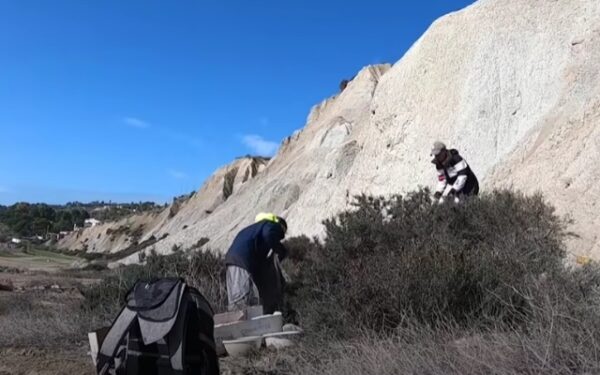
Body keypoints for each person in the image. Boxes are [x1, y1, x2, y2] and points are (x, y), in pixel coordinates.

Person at [224, 212, 288, 314]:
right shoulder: (271, 225)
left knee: (236, 300)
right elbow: (268, 234)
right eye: (282, 233)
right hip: (242, 261)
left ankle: (239, 328)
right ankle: (245, 327)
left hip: (232, 261)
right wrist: (281, 250)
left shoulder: (255, 229)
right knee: (241, 301)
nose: (281, 237)